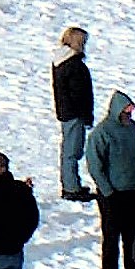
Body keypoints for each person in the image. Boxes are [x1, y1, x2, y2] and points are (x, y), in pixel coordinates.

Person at [84, 90, 135, 269]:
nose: (130, 114)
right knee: (111, 242)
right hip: (112, 196)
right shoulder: (102, 133)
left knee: (134, 241)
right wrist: (107, 191)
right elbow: (95, 164)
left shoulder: (134, 130)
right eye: (127, 110)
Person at [52, 26, 95, 202]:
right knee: (72, 151)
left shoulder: (61, 62)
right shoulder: (74, 65)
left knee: (69, 149)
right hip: (75, 113)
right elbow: (80, 93)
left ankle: (71, 184)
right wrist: (86, 114)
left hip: (66, 112)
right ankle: (71, 187)